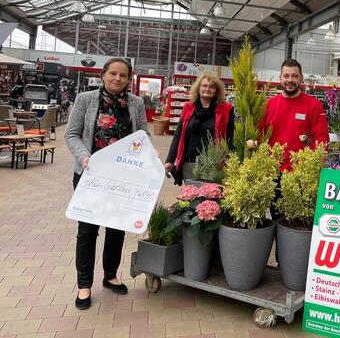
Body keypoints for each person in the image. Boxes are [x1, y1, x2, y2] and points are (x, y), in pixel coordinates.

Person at [64, 58, 150, 310]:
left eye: (123, 75)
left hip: (122, 177)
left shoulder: (135, 103)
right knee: (88, 230)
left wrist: (150, 156)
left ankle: (110, 275)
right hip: (89, 175)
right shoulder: (85, 99)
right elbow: (71, 134)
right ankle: (84, 285)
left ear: (128, 79)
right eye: (113, 73)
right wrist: (84, 156)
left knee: (116, 228)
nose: (117, 79)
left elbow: (142, 136)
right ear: (103, 75)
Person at [165, 72, 234, 185]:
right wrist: (170, 160)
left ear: (217, 90)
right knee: (191, 198)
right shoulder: (188, 108)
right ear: (198, 88)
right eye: (204, 85)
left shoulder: (226, 110)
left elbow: (231, 137)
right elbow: (178, 135)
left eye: (212, 87)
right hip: (189, 163)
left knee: (211, 198)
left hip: (214, 165)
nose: (208, 89)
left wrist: (228, 159)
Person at [262, 59, 329, 172]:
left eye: (294, 76)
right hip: (270, 173)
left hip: (300, 174)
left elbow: (321, 141)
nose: (290, 80)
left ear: (301, 78)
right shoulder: (268, 105)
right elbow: (259, 137)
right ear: (280, 78)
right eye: (286, 76)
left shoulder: (314, 106)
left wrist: (311, 168)